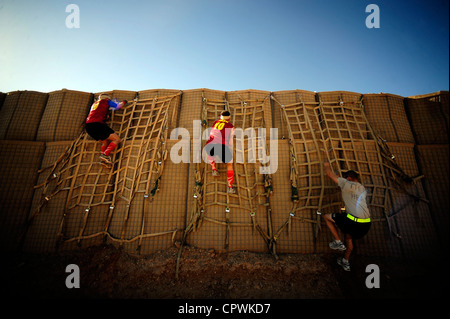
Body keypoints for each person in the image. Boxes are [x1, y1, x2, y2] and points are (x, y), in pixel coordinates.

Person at [322, 162, 371, 271]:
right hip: (366, 224)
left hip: (354, 221)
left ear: (348, 178)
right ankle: (345, 261)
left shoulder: (347, 183)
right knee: (349, 238)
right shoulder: (362, 188)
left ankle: (338, 242)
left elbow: (330, 174)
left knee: (326, 217)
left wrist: (326, 165)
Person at [85, 93, 127, 165]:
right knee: (117, 139)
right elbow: (119, 106)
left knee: (104, 141)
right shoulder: (106, 101)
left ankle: (103, 160)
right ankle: (105, 155)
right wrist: (124, 102)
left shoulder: (94, 104)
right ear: (107, 98)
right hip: (97, 125)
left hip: (88, 126)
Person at [204, 110, 236, 193]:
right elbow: (230, 141)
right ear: (229, 118)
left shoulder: (215, 123)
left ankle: (214, 170)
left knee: (209, 151)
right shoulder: (230, 126)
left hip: (208, 146)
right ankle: (230, 187)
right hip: (221, 146)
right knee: (229, 164)